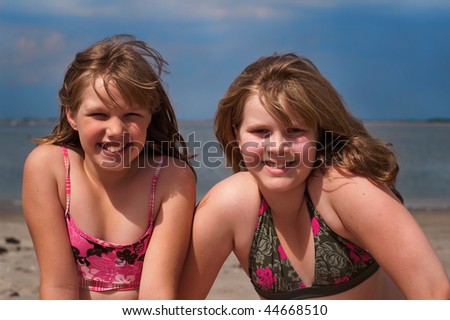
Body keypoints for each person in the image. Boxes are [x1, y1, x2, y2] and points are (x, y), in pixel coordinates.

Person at [178, 53, 450, 299]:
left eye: (295, 130)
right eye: (261, 132)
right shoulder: (231, 204)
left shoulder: (345, 187)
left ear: (321, 134)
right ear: (235, 134)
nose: (277, 146)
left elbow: (434, 292)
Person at [22, 34, 196, 299]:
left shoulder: (170, 178)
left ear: (151, 115)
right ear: (72, 115)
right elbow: (58, 286)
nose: (116, 130)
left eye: (132, 115)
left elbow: (157, 293)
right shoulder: (50, 167)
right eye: (99, 114)